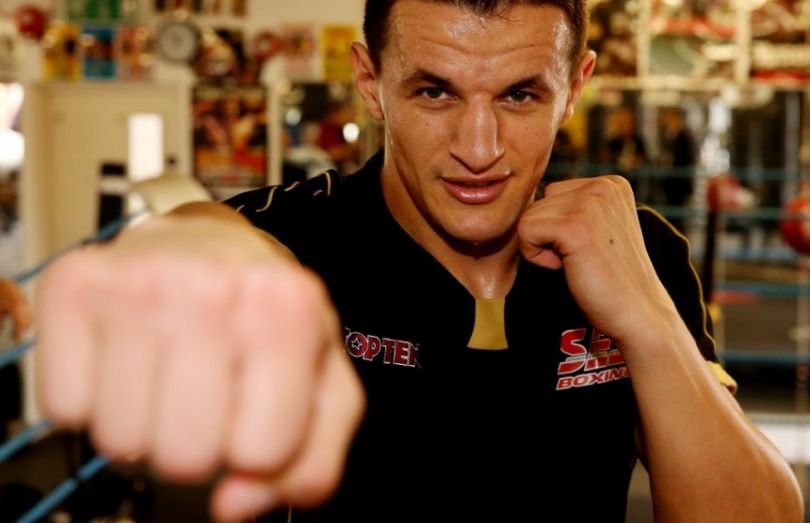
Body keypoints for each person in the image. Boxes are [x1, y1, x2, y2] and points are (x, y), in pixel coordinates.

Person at [34, 1, 802, 522]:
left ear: (575, 87)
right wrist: (201, 250)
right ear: (371, 84)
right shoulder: (302, 237)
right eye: (435, 92)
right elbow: (205, 238)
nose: (479, 148)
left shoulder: (637, 250)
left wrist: (648, 321)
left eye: (520, 95)